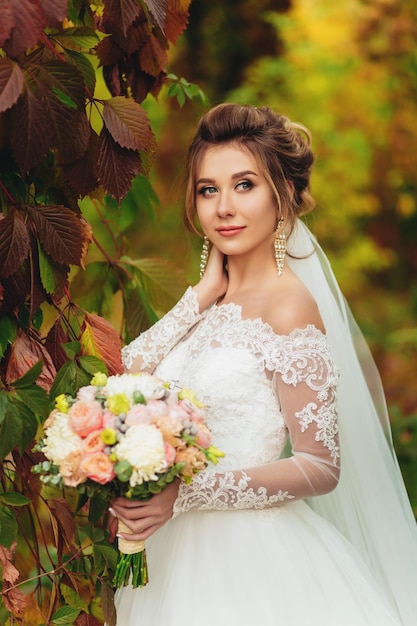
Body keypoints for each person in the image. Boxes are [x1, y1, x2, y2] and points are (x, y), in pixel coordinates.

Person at [109, 103, 417, 625]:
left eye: (244, 185)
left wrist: (186, 494)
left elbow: (320, 466)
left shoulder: (289, 305)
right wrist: (198, 295)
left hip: (251, 560)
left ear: (284, 197)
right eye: (209, 190)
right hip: (170, 555)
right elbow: (125, 378)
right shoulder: (207, 303)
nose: (223, 207)